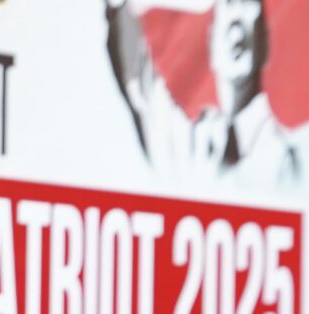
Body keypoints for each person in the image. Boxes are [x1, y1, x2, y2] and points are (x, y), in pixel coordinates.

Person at [105, 0, 298, 187]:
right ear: (211, 36)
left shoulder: (276, 162)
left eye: (248, 4)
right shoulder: (181, 144)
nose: (236, 28)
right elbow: (141, 86)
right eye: (229, 3)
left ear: (265, 40)